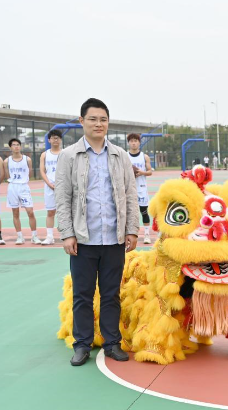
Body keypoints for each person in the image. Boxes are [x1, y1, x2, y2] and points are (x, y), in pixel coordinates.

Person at [55, 98, 139, 366]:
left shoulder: (120, 155)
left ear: (108, 123)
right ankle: (82, 344)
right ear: (82, 121)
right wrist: (67, 233)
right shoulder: (69, 156)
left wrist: (132, 229)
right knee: (82, 294)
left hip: (113, 238)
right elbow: (62, 197)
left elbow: (130, 194)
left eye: (103, 119)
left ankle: (112, 342)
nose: (98, 124)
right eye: (93, 119)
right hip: (83, 239)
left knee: (111, 293)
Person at [4, 138, 40, 244]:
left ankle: (34, 236)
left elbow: (30, 174)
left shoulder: (27, 159)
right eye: (14, 145)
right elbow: (7, 176)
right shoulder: (7, 161)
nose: (16, 146)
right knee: (15, 213)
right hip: (13, 187)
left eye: (18, 144)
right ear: (10, 147)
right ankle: (20, 236)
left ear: (20, 146)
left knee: (30, 212)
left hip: (24, 187)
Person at [127, 133, 154, 244]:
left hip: (141, 188)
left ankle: (147, 235)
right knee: (128, 214)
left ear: (139, 142)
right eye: (131, 141)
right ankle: (128, 236)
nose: (133, 143)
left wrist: (142, 172)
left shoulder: (144, 156)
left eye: (136, 141)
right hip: (128, 189)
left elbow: (150, 172)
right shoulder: (125, 156)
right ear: (128, 143)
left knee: (144, 212)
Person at [39, 129, 63, 245]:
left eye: (57, 137)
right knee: (50, 212)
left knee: (65, 212)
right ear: (49, 140)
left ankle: (66, 235)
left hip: (63, 187)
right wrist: (49, 184)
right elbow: (42, 171)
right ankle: (49, 237)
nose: (55, 140)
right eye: (53, 137)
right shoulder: (44, 155)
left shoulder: (65, 153)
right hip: (50, 187)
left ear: (61, 139)